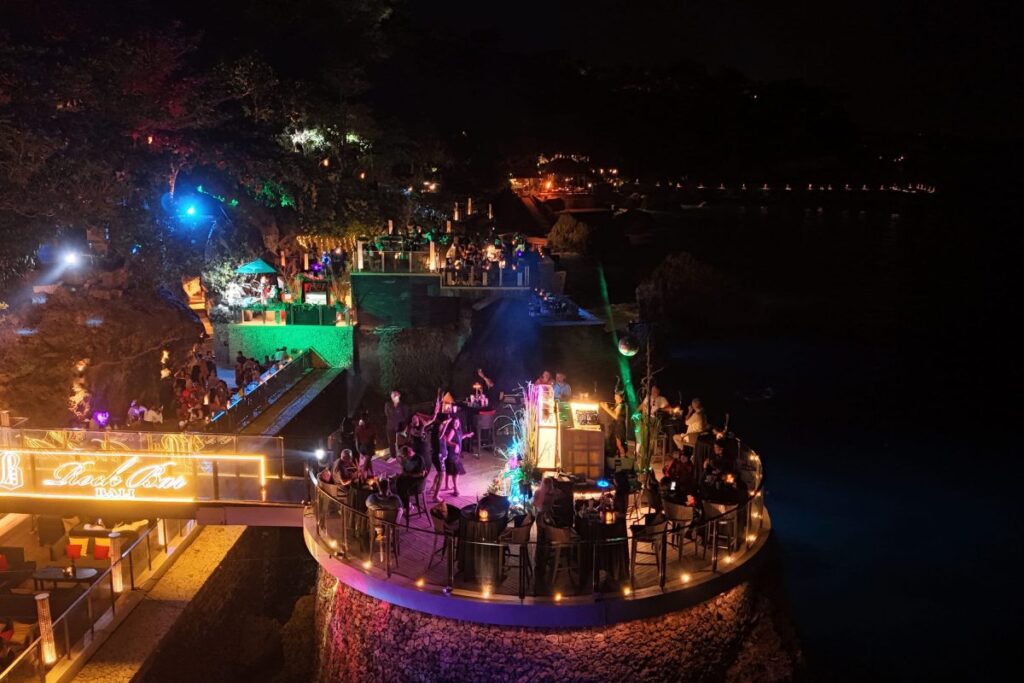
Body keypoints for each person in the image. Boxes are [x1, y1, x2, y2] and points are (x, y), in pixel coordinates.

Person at [440, 416, 472, 497]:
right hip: (452, 454)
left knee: (450, 470)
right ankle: (456, 490)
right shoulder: (452, 430)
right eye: (454, 423)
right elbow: (447, 441)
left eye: (457, 422)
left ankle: (447, 486)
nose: (456, 424)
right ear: (452, 423)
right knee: (456, 472)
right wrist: (455, 445)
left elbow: (460, 438)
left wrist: (466, 435)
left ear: (459, 423)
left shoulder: (458, 430)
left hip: (455, 455)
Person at [394, 445, 428, 517]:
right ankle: (405, 505)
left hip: (417, 483)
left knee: (401, 487)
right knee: (395, 483)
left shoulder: (418, 459)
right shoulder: (408, 459)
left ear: (409, 452)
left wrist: (408, 474)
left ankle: (407, 506)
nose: (405, 458)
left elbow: (421, 474)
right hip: (409, 479)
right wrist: (402, 464)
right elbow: (405, 471)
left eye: (405, 456)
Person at [383, 391, 411, 462]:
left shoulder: (403, 406)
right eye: (392, 396)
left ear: (399, 396)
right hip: (391, 426)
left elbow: (406, 417)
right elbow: (387, 414)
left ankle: (404, 455)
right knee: (391, 442)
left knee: (402, 442)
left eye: (395, 395)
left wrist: (404, 426)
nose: (393, 397)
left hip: (401, 427)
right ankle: (393, 456)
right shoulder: (388, 404)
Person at [600, 391, 628, 457]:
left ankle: (623, 458)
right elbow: (613, 412)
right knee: (616, 443)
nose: (615, 398)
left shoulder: (621, 405)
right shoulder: (618, 405)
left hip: (619, 427)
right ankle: (619, 457)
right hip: (616, 426)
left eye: (616, 396)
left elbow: (615, 416)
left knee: (619, 444)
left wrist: (606, 408)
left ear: (620, 398)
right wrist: (608, 408)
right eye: (615, 396)